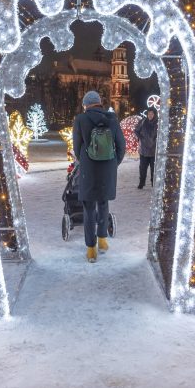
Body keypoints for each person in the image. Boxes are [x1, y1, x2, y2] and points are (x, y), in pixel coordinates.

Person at [72, 90, 125, 263]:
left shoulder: (80, 120)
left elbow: (77, 147)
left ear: (86, 104)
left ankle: (90, 250)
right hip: (107, 169)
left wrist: (86, 162)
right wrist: (112, 164)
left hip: (88, 170)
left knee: (88, 208)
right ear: (99, 103)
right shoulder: (112, 119)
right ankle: (102, 240)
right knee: (103, 203)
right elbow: (121, 146)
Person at [133, 108, 158, 189]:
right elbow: (136, 130)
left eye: (152, 114)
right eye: (149, 114)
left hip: (154, 150)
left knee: (153, 169)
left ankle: (153, 183)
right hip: (144, 150)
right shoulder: (143, 122)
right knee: (142, 168)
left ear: (154, 114)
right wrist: (141, 138)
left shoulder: (158, 123)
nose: (150, 115)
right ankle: (141, 182)